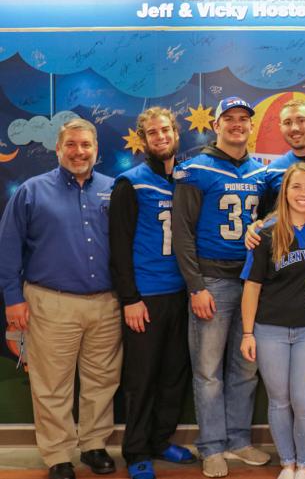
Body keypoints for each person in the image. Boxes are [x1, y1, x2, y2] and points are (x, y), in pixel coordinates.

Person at [0, 118, 121, 479]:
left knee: (102, 380)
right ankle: (58, 455)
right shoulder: (32, 191)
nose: (78, 152)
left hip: (106, 303)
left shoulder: (115, 190)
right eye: (71, 144)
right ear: (58, 149)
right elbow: (8, 248)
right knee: (52, 384)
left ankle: (94, 445)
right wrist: (12, 299)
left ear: (96, 150)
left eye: (85, 145)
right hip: (49, 302)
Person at [172, 96, 269, 478]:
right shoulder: (196, 168)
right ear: (216, 125)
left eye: (243, 119)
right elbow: (182, 232)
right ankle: (212, 445)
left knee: (246, 367)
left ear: (250, 125)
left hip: (249, 282)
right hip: (211, 280)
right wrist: (196, 286)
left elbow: (278, 215)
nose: (236, 124)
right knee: (208, 370)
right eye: (228, 118)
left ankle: (238, 440)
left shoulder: (262, 171)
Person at [109, 107, 195, 479]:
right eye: (153, 132)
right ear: (143, 140)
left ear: (176, 133)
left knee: (174, 374)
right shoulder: (131, 182)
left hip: (183, 293)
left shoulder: (190, 179)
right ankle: (136, 449)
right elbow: (119, 245)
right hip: (146, 296)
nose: (161, 137)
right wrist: (130, 298)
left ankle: (161, 439)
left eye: (166, 130)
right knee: (142, 378)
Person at [240, 162, 305, 479]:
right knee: (279, 400)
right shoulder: (265, 233)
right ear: (284, 192)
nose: (302, 194)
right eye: (296, 187)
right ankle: (287, 463)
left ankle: (304, 464)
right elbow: (252, 286)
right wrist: (247, 333)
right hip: (269, 329)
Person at [259, 99, 305, 214]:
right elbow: (268, 218)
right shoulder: (273, 171)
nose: (294, 128)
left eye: (301, 120)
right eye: (287, 123)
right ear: (281, 127)